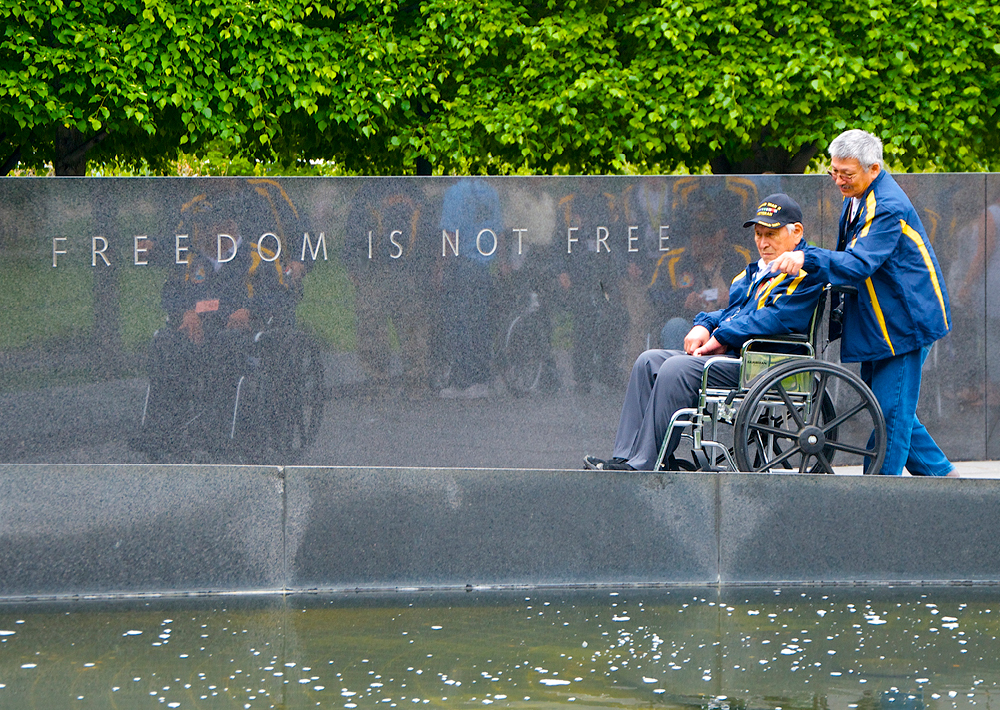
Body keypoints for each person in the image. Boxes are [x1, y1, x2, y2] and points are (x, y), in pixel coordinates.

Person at [584, 194, 824, 471]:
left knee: (676, 369)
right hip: (739, 356)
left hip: (764, 362)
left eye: (771, 234)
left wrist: (722, 336)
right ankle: (624, 457)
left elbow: (774, 319)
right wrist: (705, 324)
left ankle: (644, 463)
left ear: (796, 232)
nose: (762, 242)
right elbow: (734, 312)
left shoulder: (803, 272)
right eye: (758, 234)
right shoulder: (756, 271)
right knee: (647, 361)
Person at [769, 129, 957, 477]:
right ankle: (948, 482)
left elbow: (859, 262)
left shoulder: (886, 205)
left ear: (873, 169)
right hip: (882, 318)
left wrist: (806, 257)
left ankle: (877, 493)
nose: (838, 180)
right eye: (834, 172)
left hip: (905, 322)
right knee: (893, 408)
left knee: (889, 413)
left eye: (847, 174)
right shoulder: (858, 195)